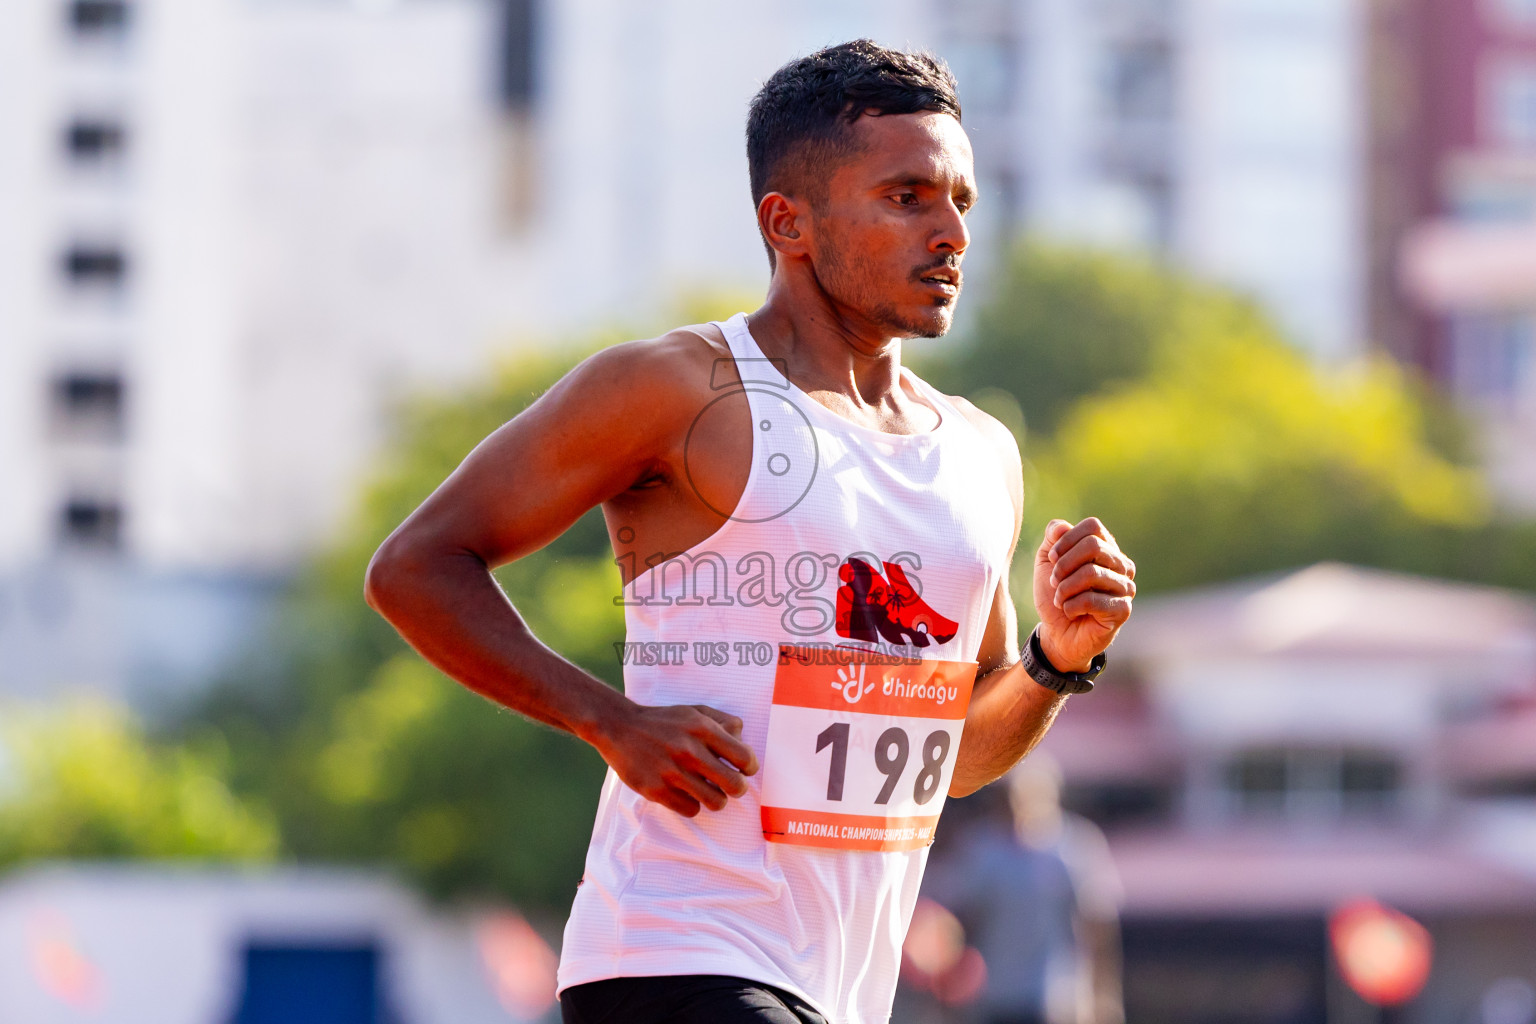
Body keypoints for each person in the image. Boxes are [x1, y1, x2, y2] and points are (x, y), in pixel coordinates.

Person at [363, 39, 1136, 1024]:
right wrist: (610, 720)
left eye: (962, 201)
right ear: (790, 223)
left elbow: (955, 756)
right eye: (907, 197)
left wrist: (1056, 660)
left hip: (842, 987)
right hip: (676, 950)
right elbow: (417, 566)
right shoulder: (676, 389)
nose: (951, 232)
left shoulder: (982, 453)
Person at [922, 755, 1124, 1024]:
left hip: (1055, 993)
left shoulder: (1073, 848)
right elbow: (958, 921)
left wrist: (1104, 993)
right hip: (992, 994)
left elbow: (1097, 927)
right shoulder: (982, 851)